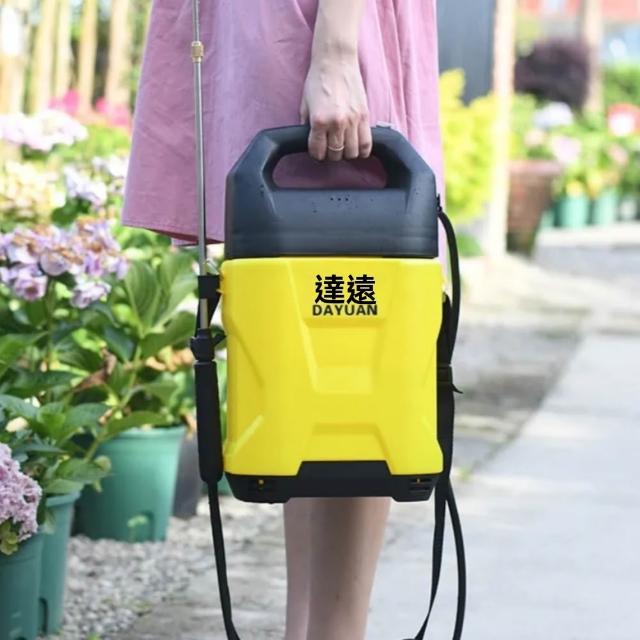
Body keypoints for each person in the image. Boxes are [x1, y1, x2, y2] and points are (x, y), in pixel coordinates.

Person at [122, 1, 444, 638]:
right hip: (258, 24)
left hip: (317, 23)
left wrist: (336, 53)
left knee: (353, 330)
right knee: (307, 339)